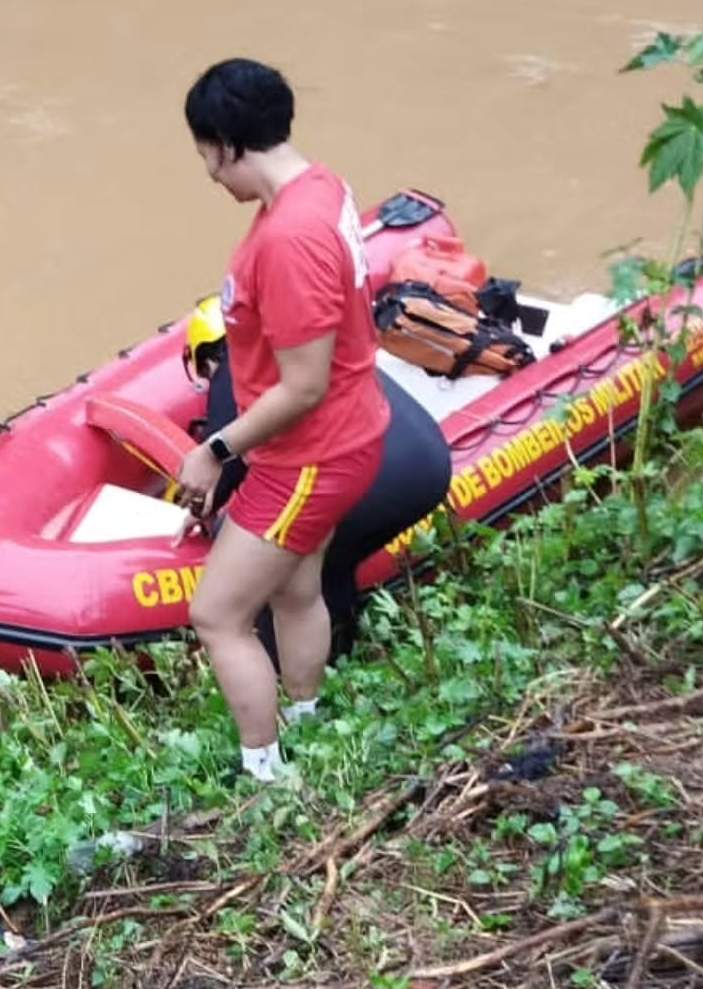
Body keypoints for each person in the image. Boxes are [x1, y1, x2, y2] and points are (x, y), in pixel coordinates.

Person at [174, 59, 391, 784]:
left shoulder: (289, 238)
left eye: (206, 153)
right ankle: (309, 722)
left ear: (226, 144)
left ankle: (266, 777)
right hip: (341, 435)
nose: (208, 173)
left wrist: (215, 449)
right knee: (296, 589)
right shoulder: (319, 186)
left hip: (309, 454)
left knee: (218, 615)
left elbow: (303, 385)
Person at [184, 297, 454, 665]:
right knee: (334, 559)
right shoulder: (304, 347)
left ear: (207, 357)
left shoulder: (234, 369)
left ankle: (290, 676)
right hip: (426, 460)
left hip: (377, 477)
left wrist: (196, 509)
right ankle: (344, 655)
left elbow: (221, 466)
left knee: (279, 574)